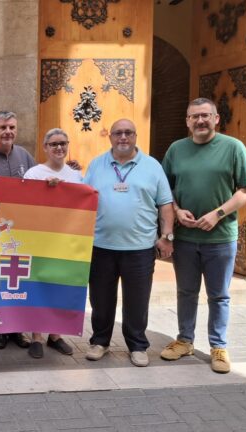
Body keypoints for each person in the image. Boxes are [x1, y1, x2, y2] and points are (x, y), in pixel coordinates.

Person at [160, 97, 246, 374]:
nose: (200, 121)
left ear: (216, 118)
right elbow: (164, 191)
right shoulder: (176, 150)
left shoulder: (233, 147)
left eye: (205, 115)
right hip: (187, 238)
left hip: (221, 239)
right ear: (187, 121)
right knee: (186, 292)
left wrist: (218, 214)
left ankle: (218, 347)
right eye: (194, 117)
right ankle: (185, 340)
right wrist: (177, 212)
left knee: (219, 295)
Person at [82, 119, 174, 367]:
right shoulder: (97, 164)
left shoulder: (152, 166)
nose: (123, 137)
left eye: (128, 133)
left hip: (140, 248)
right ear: (110, 137)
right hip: (101, 246)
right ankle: (100, 341)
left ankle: (137, 346)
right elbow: (80, 199)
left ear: (135, 136)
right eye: (118, 133)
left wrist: (167, 236)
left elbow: (165, 205)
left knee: (137, 300)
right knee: (100, 299)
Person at [23, 128, 82, 359]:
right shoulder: (34, 173)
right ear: (45, 148)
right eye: (54, 144)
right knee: (39, 286)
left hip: (67, 241)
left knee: (61, 286)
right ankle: (36, 336)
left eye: (63, 143)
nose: (59, 148)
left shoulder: (76, 175)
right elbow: (25, 205)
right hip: (40, 241)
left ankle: (55, 335)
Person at [0, 111, 34, 352]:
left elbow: (38, 185)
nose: (8, 132)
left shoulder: (25, 155)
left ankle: (18, 329)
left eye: (12, 127)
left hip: (20, 233)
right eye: (3, 127)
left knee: (17, 282)